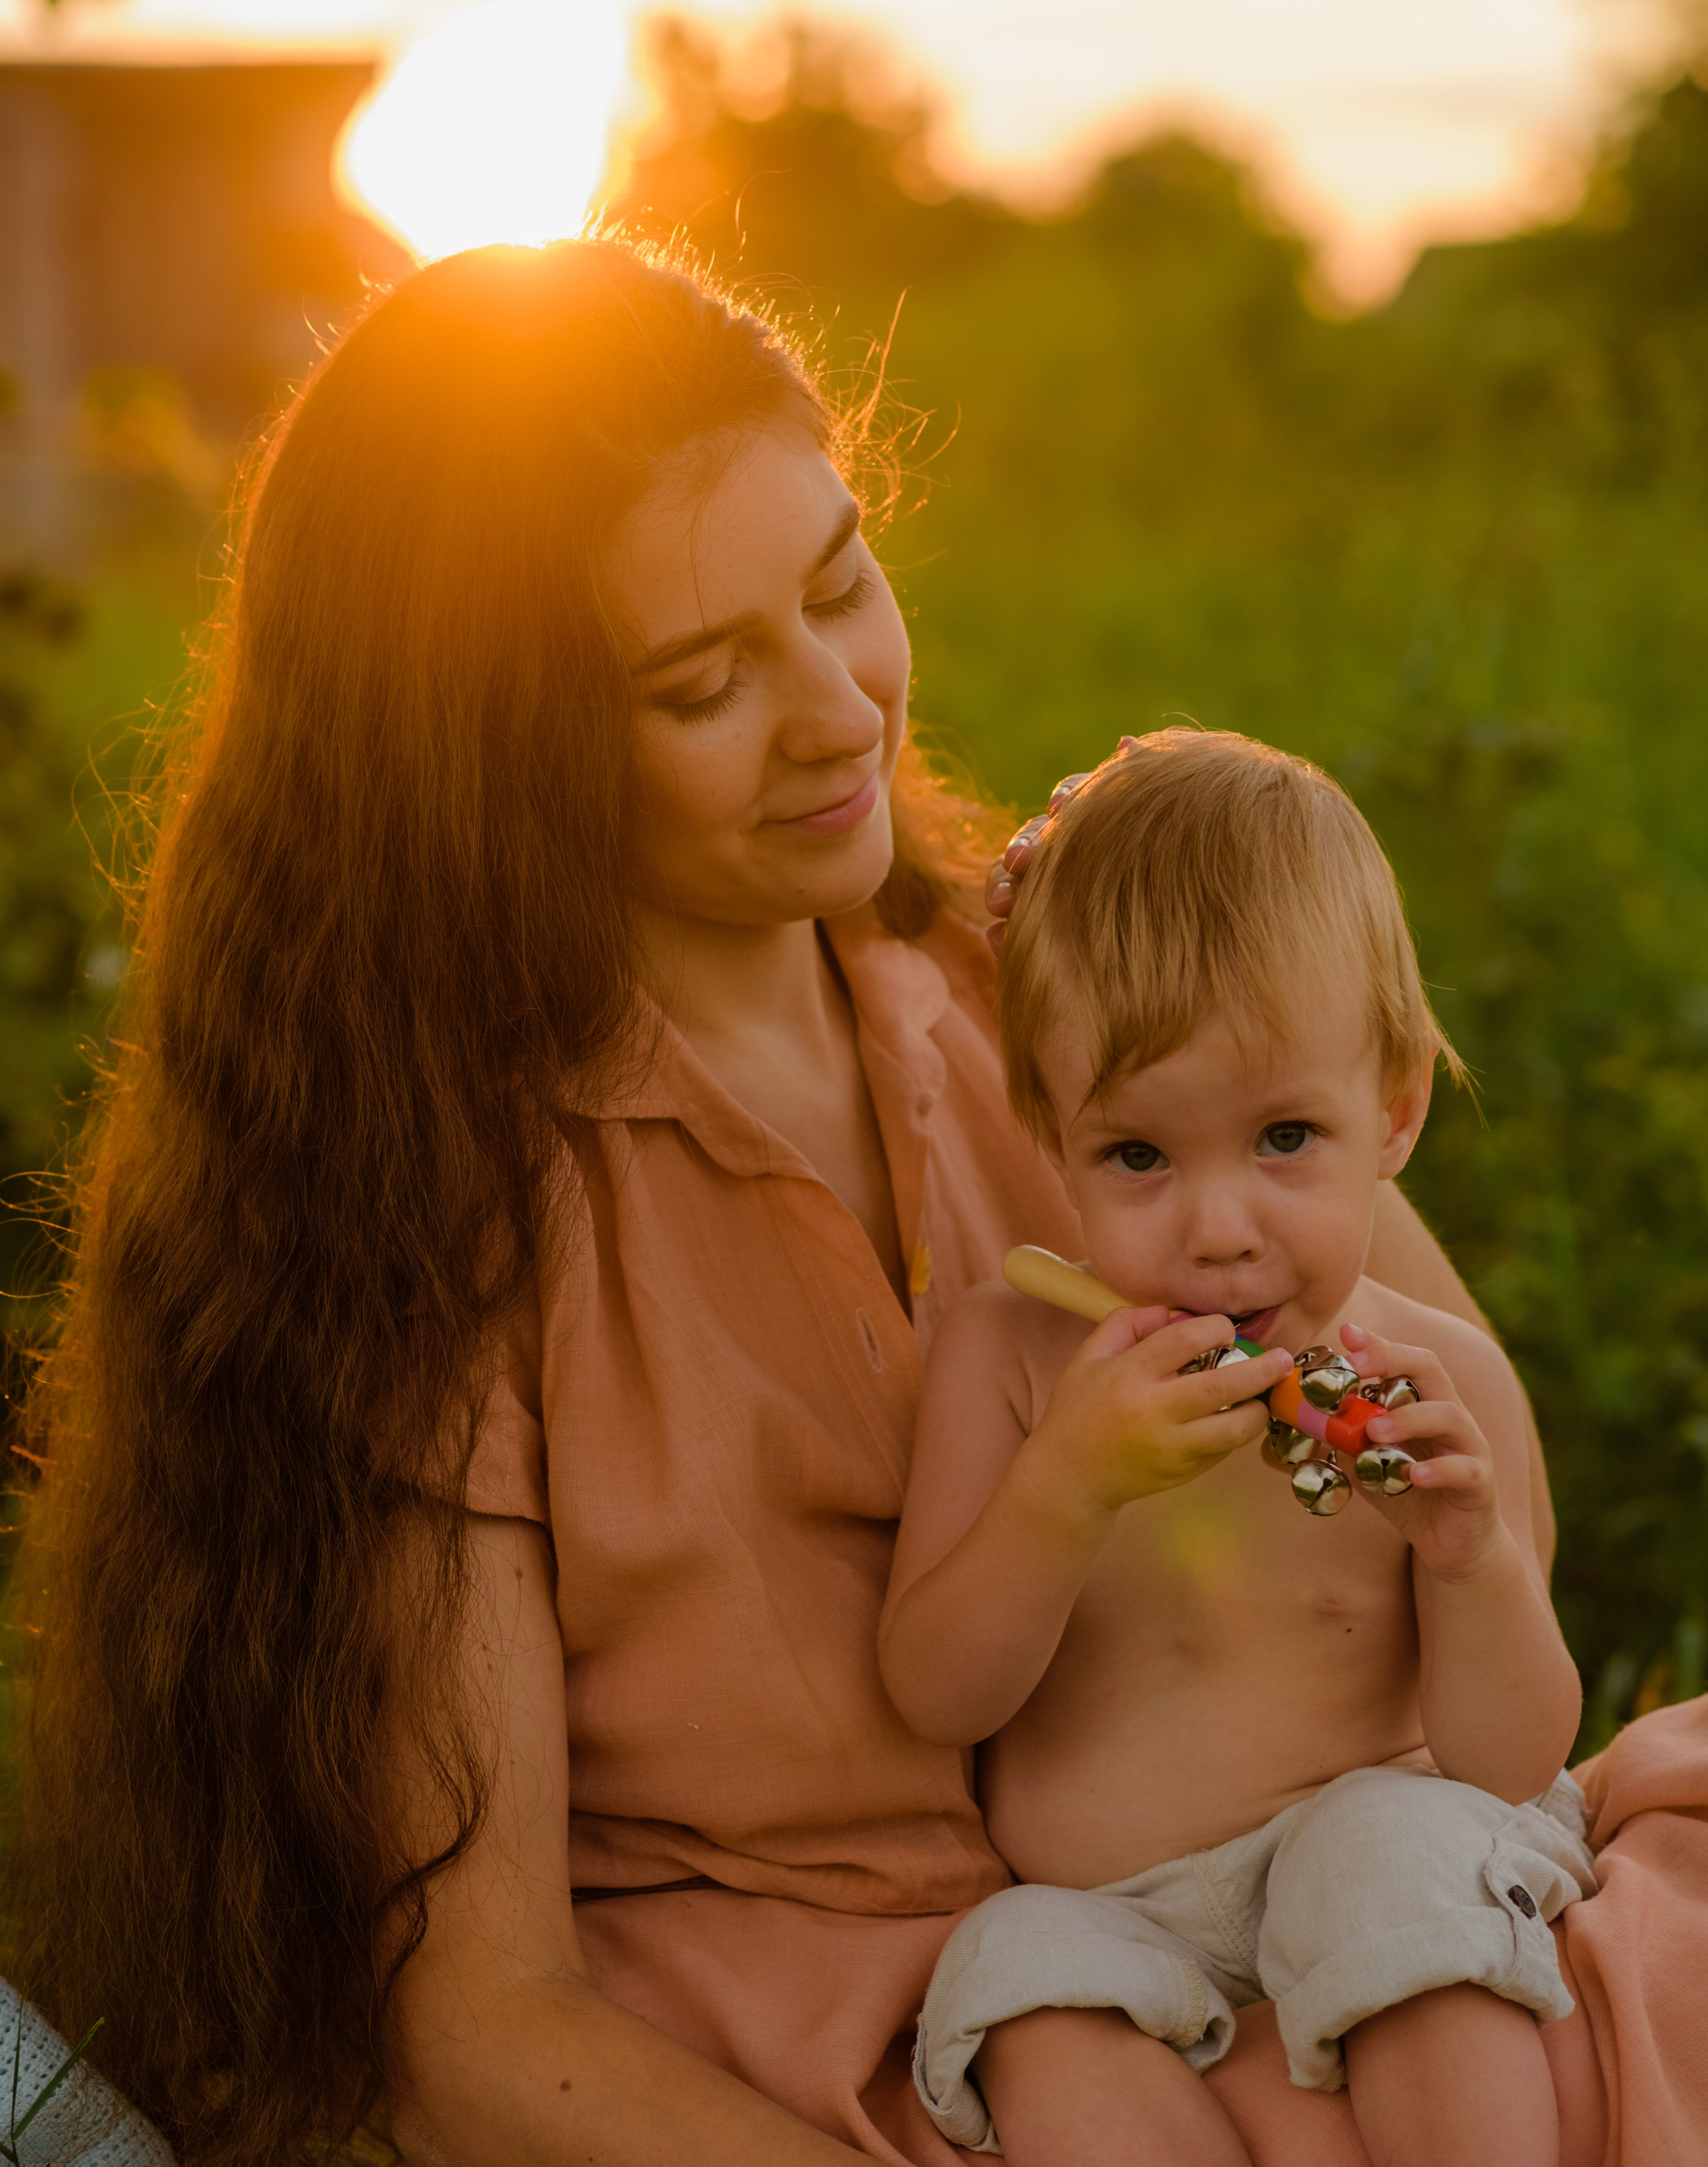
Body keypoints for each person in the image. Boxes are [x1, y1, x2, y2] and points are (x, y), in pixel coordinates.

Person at [5, 240, 1562, 2167]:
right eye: (701, 681)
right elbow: (483, 2033)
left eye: (839, 586)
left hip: (1292, 1932)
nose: (837, 712)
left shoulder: (1023, 1000)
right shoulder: (432, 1219)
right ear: (499, 758)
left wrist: (1204, 932)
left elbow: (1442, 1392)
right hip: (838, 2077)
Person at [880, 732, 1592, 2167]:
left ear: (1389, 1113)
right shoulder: (1009, 1361)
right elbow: (933, 1693)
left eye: (1282, 1138)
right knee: (1015, 1973)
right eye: (1136, 1157)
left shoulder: (1427, 1384)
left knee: (1389, 1854)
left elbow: (1509, 1759)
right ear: (1048, 1137)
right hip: (1121, 1910)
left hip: (1374, 1833)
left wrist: (1471, 1559)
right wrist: (1061, 1490)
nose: (1216, 1228)